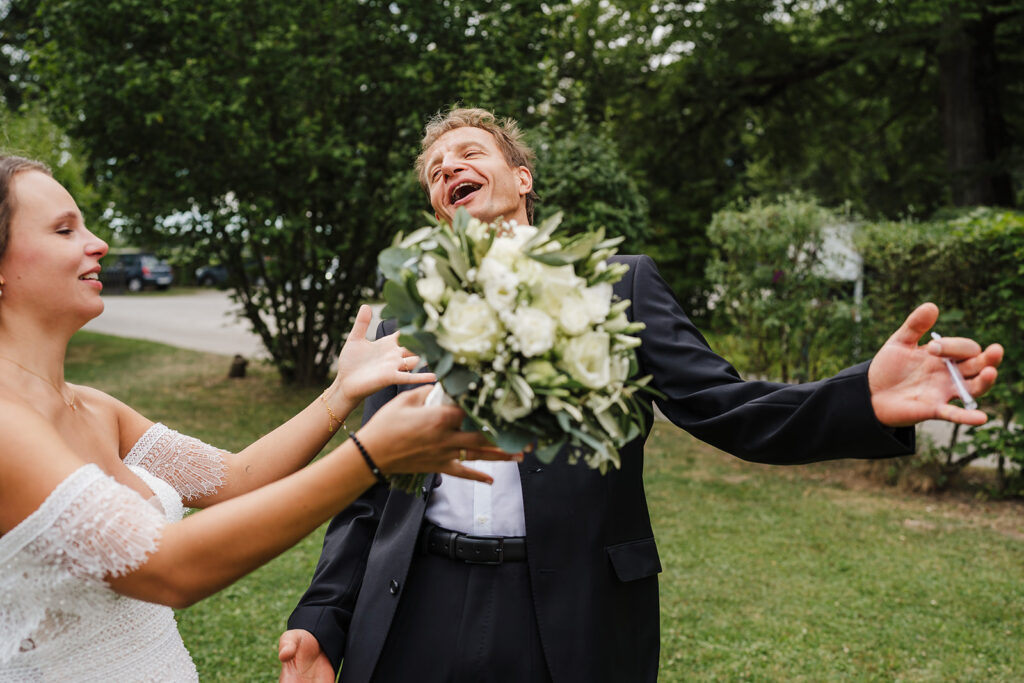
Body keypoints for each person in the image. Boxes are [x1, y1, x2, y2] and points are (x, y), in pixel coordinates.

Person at [279, 109, 1005, 683]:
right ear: (441, 209)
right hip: (414, 604)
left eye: (469, 153)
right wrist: (321, 616)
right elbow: (369, 486)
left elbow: (728, 407)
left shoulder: (619, 285)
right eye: (436, 171)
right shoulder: (404, 316)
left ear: (523, 177)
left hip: (567, 611)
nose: (448, 169)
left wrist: (861, 400)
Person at [0, 154, 521, 682]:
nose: (98, 243)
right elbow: (169, 569)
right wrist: (371, 457)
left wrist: (341, 393)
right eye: (65, 230)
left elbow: (235, 479)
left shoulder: (95, 407)